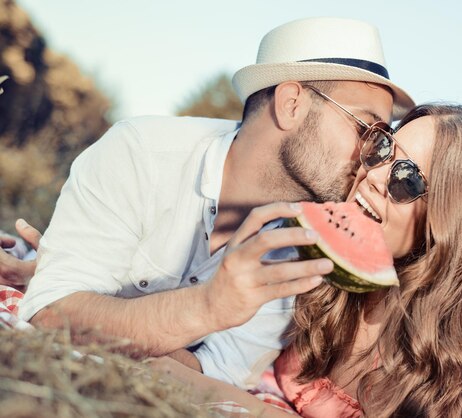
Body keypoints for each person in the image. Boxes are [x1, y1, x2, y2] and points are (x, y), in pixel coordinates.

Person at [11, 16, 414, 389]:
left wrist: (107, 316)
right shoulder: (139, 153)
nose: (373, 157)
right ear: (291, 104)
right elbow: (52, 312)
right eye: (367, 128)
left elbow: (218, 373)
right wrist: (207, 307)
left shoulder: (302, 248)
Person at [149, 103, 462, 418]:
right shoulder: (318, 278)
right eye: (383, 149)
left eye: (408, 178)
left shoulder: (458, 374)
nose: (373, 175)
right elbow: (223, 362)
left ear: (457, 224)